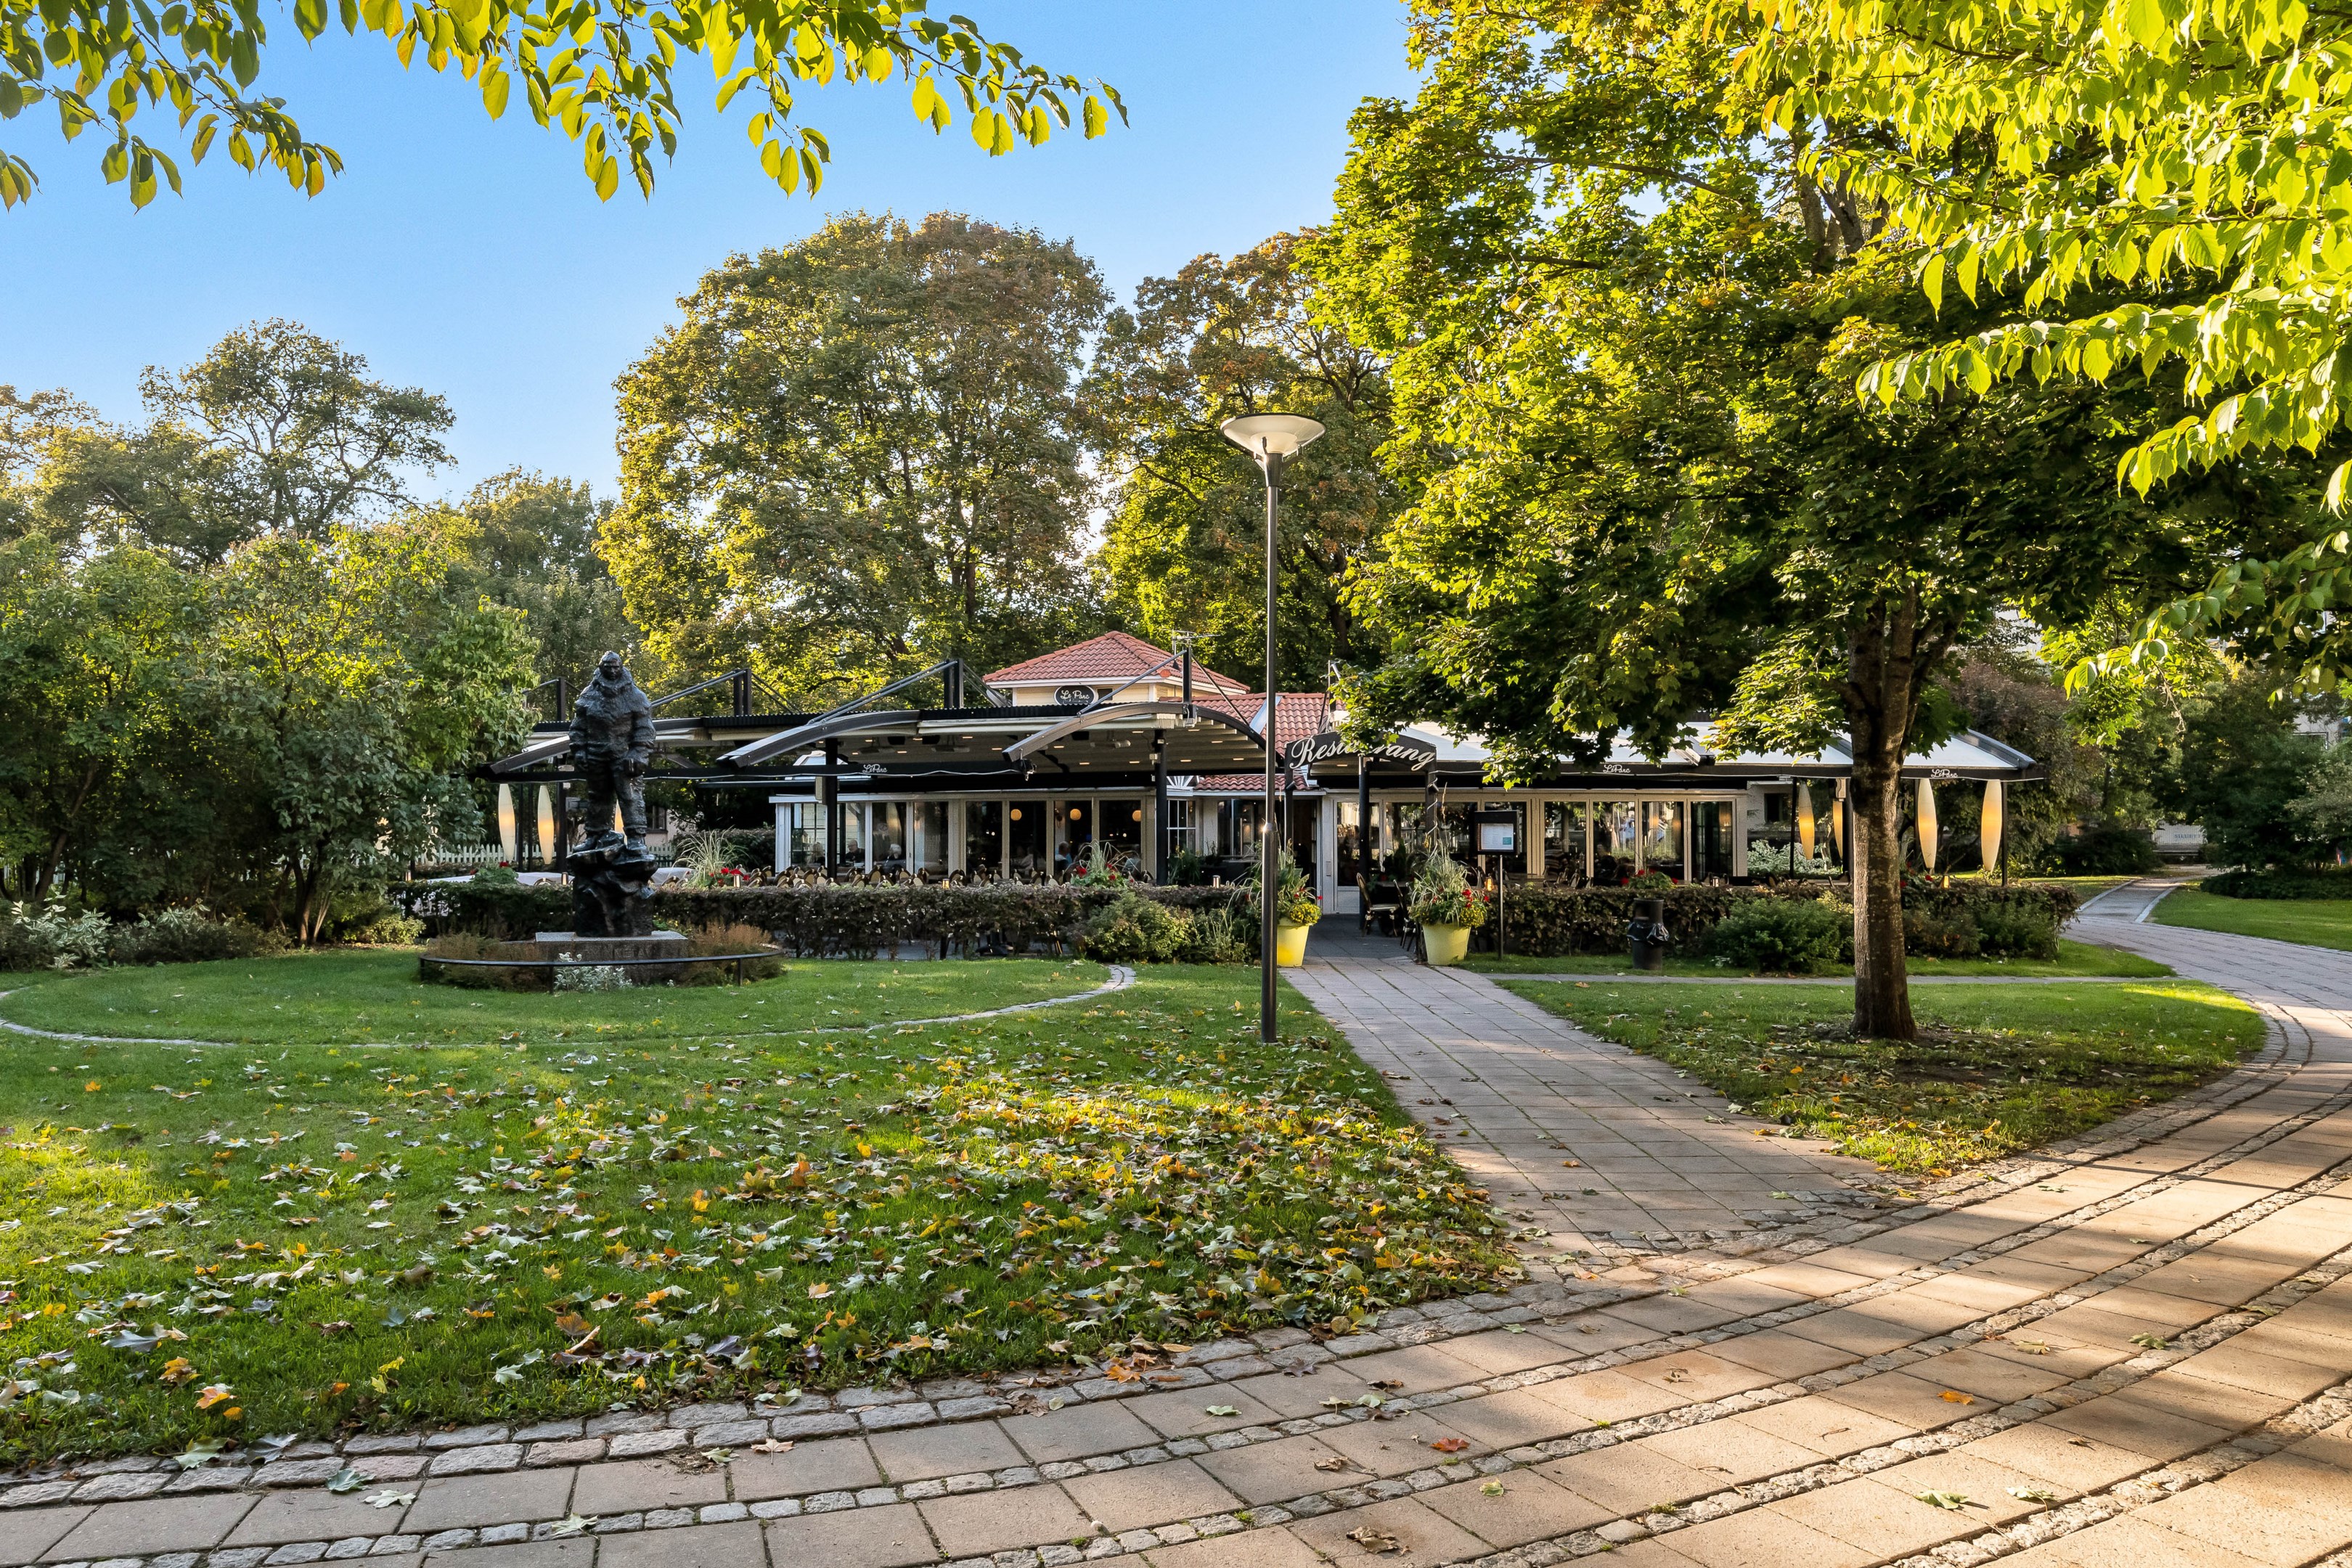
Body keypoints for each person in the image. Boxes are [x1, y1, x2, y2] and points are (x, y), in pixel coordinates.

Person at [569, 651, 658, 848]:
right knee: (597, 797)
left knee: (630, 795)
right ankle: (594, 836)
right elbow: (578, 727)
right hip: (596, 754)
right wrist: (580, 750)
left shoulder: (636, 696)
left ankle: (636, 839)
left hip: (624, 756)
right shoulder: (588, 694)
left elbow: (645, 729)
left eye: (616, 667)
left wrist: (637, 754)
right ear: (601, 668)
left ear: (621, 667)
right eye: (608, 667)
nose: (612, 670)